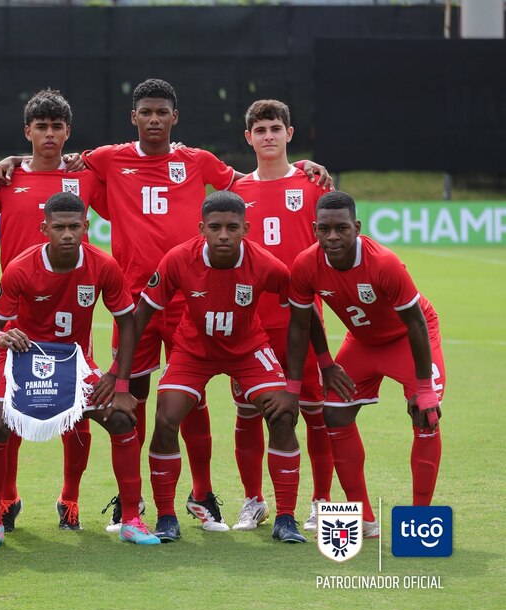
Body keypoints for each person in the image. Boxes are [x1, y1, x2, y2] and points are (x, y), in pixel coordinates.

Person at [0, 78, 329, 531]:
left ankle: (203, 493)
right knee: (131, 395)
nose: (154, 120)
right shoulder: (108, 158)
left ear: (175, 118)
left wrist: (302, 168)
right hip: (134, 299)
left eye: (162, 113)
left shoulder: (198, 160)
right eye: (146, 113)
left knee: (190, 397)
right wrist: (15, 160)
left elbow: (252, 184)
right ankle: (134, 505)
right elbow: (53, 162)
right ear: (134, 118)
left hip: (193, 295)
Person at [0, 191, 159, 547]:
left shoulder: (103, 265)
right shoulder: (21, 267)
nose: (67, 234)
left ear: (86, 226)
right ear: (44, 228)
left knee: (121, 419)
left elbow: (128, 323)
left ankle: (127, 517)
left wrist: (119, 381)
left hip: (75, 361)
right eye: (59, 227)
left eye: (74, 226)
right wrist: (2, 338)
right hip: (24, 359)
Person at [131, 190, 307, 544]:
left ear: (246, 229)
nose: (223, 235)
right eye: (215, 227)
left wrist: (295, 386)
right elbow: (140, 317)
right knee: (166, 417)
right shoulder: (179, 259)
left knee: (283, 415)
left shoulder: (267, 265)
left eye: (232, 227)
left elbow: (303, 317)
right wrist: (119, 380)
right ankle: (166, 517)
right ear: (202, 229)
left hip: (248, 349)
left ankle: (286, 518)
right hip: (193, 351)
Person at [0, 89, 105, 532]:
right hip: (15, 317)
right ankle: (7, 498)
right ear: (27, 131)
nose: (49, 135)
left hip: (71, 318)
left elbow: (128, 196)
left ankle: (70, 499)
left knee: (76, 413)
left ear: (68, 132)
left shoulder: (85, 178)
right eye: (41, 127)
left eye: (57, 127)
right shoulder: (5, 179)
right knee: (7, 415)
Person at [282, 190, 445, 538]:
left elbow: (416, 322)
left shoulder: (383, 263)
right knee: (334, 413)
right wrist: (312, 373)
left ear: (356, 227)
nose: (332, 237)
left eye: (341, 228)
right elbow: (300, 322)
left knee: (425, 415)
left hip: (409, 338)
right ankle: (365, 519)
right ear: (314, 228)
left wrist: (425, 388)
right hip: (363, 341)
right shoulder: (306, 264)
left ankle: (419, 520)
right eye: (324, 229)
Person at [225, 99, 335, 533]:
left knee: (315, 411)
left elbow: (334, 245)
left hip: (302, 320)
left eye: (276, 128)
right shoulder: (235, 191)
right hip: (249, 324)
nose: (268, 136)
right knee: (248, 412)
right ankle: (253, 500)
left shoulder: (312, 184)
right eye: (260, 130)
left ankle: (321, 501)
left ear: (290, 134)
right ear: (248, 137)